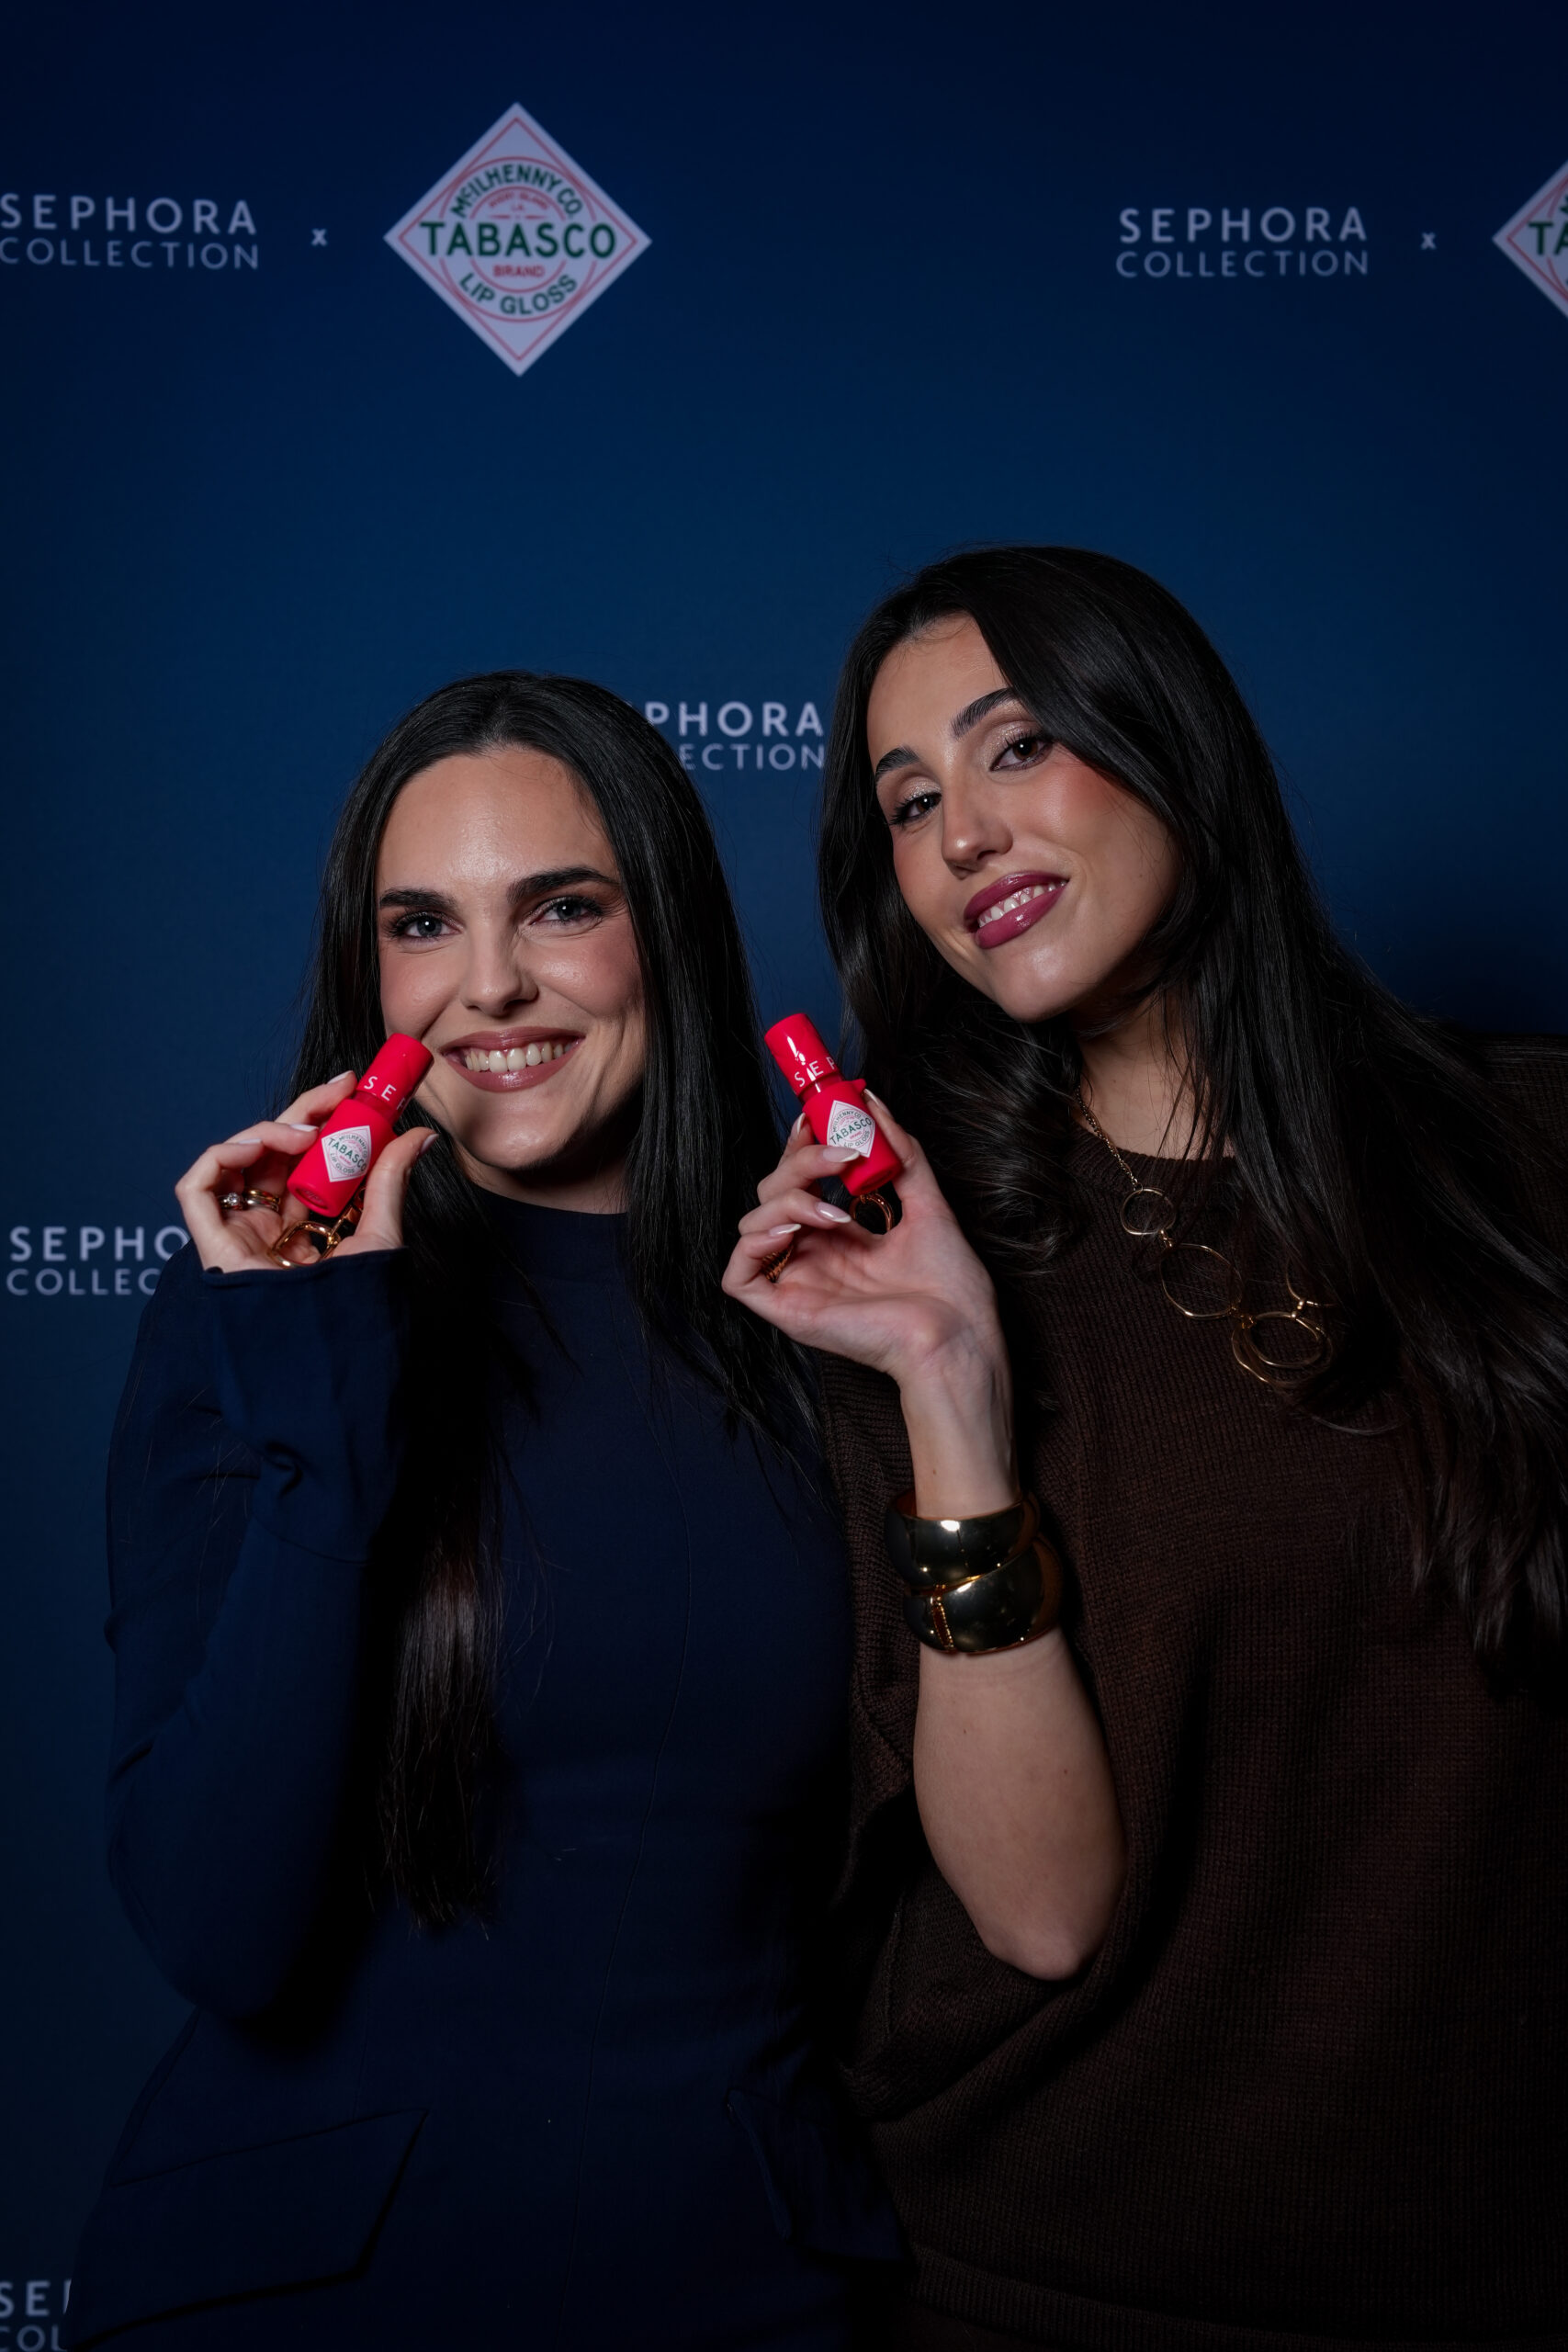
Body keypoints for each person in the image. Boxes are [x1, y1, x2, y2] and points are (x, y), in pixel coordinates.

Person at [724, 548, 1568, 2351]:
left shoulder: (1532, 1150)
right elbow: (1038, 1915)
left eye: (1016, 744)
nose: (962, 834)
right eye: (908, 802)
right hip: (1059, 2273)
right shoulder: (900, 1262)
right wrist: (949, 1376)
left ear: (1171, 741)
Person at [66, 673, 899, 2351]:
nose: (491, 984)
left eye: (563, 908)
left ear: (665, 930)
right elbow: (222, 1928)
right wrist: (322, 1392)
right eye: (423, 925)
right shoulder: (251, 1317)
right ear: (367, 972)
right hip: (311, 2294)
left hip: (739, 2280)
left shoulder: (829, 1300)